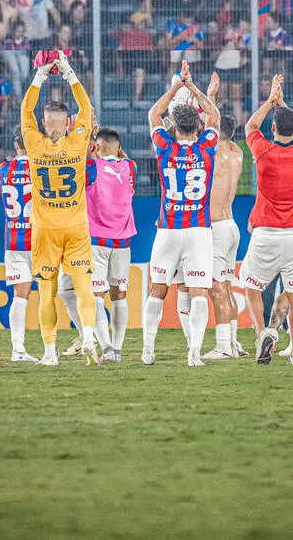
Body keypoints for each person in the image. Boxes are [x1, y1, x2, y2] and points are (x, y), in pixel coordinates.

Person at [20, 50, 97, 366]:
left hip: (45, 230)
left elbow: (25, 109)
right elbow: (87, 109)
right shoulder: (77, 141)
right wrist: (68, 72)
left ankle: (50, 352)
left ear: (42, 122)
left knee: (47, 292)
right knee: (83, 287)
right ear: (68, 123)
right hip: (76, 227)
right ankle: (89, 336)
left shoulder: (33, 142)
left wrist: (40, 74)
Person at [142, 61, 220, 367]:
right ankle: (195, 353)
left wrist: (176, 87)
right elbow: (213, 114)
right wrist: (194, 88)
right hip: (199, 231)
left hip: (169, 229)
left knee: (158, 289)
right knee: (199, 291)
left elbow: (152, 115)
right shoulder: (207, 147)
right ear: (198, 127)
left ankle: (148, 350)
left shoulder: (164, 147)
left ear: (174, 127)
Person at [241, 75, 293, 366]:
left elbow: (250, 126)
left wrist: (270, 100)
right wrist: (288, 111)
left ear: (272, 128)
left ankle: (263, 334)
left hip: (265, 234)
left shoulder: (264, 151)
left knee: (252, 288)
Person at [198, 73, 247, 360]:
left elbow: (210, 121)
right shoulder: (236, 151)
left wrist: (210, 95)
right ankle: (233, 342)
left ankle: (223, 346)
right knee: (227, 287)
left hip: (216, 228)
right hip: (231, 226)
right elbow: (215, 123)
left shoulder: (215, 152)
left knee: (217, 289)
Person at [84, 127, 137, 362]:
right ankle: (117, 349)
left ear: (97, 145)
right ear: (118, 146)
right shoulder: (130, 167)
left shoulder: (91, 168)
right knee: (119, 295)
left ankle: (105, 348)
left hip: (96, 241)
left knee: (96, 296)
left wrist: (89, 140)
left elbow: (81, 156)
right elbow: (122, 157)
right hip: (122, 241)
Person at [0, 126, 39, 363]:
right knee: (56, 292)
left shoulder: (4, 169)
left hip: (14, 240)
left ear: (16, 145)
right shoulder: (41, 168)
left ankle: (18, 350)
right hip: (40, 240)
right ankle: (53, 348)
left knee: (20, 296)